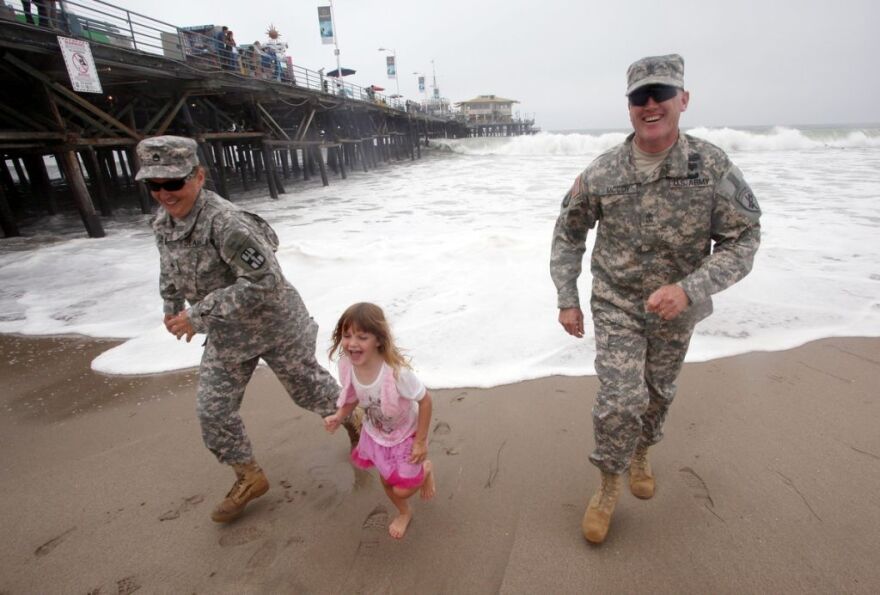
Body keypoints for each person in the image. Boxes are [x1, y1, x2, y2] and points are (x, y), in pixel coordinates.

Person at [549, 54, 761, 544]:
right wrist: (567, 297)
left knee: (658, 393)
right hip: (617, 303)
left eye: (661, 93)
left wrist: (690, 289)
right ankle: (607, 485)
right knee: (621, 398)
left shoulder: (710, 166)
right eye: (639, 97)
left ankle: (642, 451)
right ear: (628, 108)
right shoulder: (602, 172)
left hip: (676, 309)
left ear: (682, 100)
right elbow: (568, 233)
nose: (650, 104)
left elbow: (744, 239)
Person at [134, 135, 361, 524]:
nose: (163, 194)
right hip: (228, 332)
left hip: (274, 322)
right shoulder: (163, 222)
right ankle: (249, 477)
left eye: (173, 184)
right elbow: (169, 267)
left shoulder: (226, 224)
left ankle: (355, 421)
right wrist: (172, 307)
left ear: (199, 176)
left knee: (310, 391)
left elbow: (265, 283)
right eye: (153, 185)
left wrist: (197, 315)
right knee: (213, 410)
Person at [323, 303, 436, 539]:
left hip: (405, 435)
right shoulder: (349, 366)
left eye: (361, 337)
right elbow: (353, 396)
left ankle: (424, 471)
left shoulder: (397, 374)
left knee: (402, 489)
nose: (352, 343)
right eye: (346, 335)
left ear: (378, 339)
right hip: (376, 435)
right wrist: (340, 415)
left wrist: (421, 442)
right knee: (387, 482)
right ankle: (404, 513)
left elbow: (425, 401)